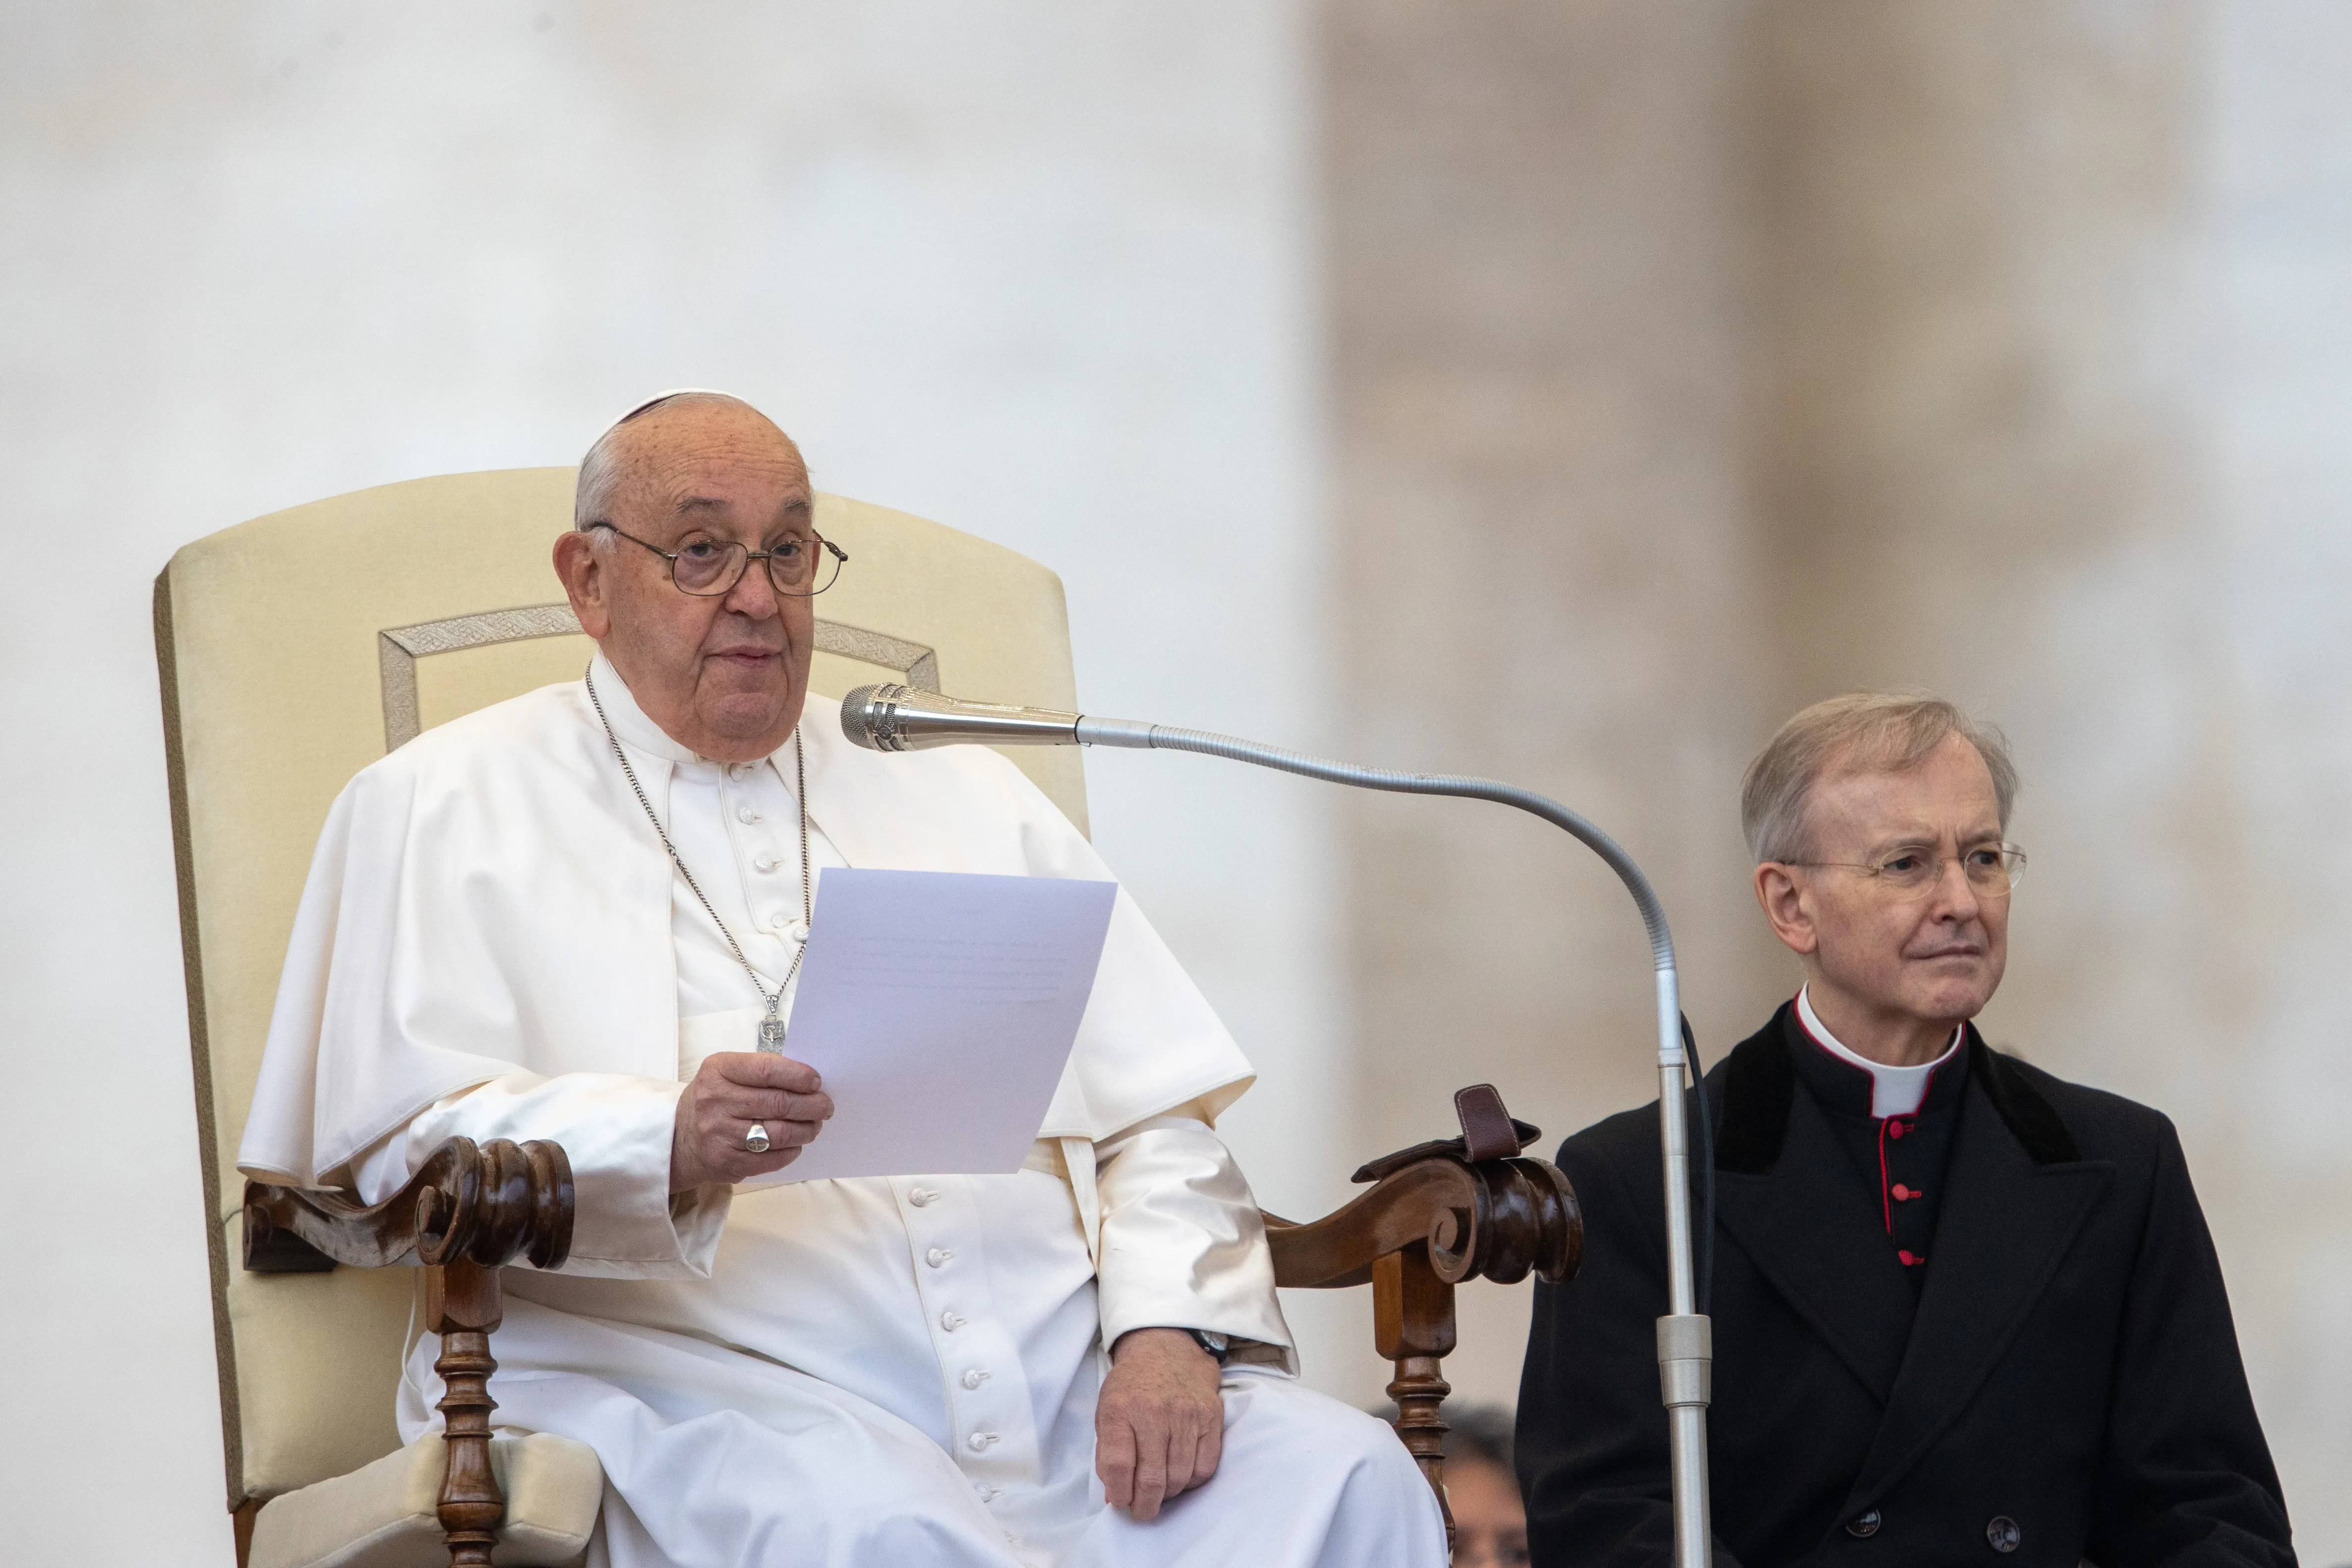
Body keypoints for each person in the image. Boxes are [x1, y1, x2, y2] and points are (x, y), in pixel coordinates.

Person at [237, 390, 1443, 1568]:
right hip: (703, 1399)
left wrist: (1168, 1326)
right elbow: (399, 1142)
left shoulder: (960, 786)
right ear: (589, 581)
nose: (758, 597)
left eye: (790, 550)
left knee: (1348, 1480)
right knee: (881, 1534)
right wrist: (669, 1138)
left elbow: (1155, 1118)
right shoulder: (441, 805)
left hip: (1074, 1402)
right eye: (703, 551)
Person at [1517, 694, 2296, 1566]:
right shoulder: (1638, 1179)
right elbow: (1601, 1517)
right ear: (1789, 905)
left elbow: (2212, 1510)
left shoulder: (2117, 1160)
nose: (1961, 901)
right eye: (1907, 864)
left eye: (1984, 857)